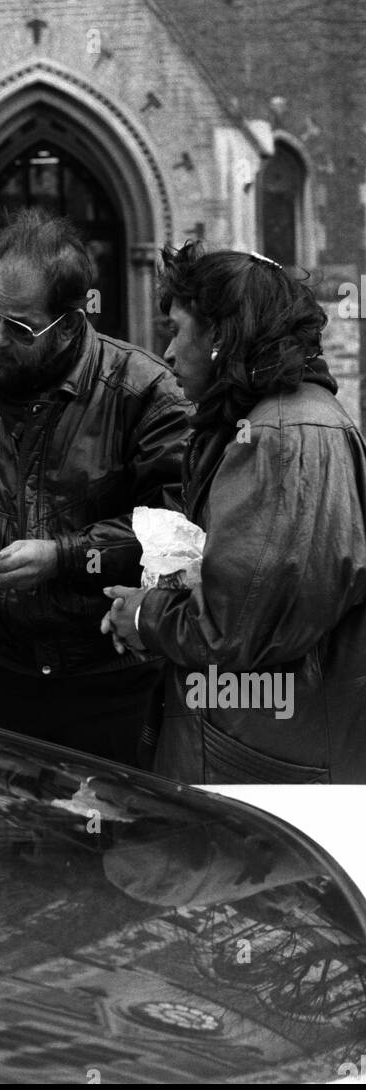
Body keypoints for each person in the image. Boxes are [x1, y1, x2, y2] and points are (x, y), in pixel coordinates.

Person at [0, 206, 192, 763]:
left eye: (20, 326)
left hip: (113, 686)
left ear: (71, 320)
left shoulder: (145, 392)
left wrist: (62, 556)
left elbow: (176, 533)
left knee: (112, 845)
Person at [102, 241, 366, 783]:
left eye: (177, 331)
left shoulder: (281, 436)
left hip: (265, 764)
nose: (169, 354)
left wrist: (143, 616)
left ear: (221, 335)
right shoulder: (266, 421)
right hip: (256, 745)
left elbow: (234, 628)